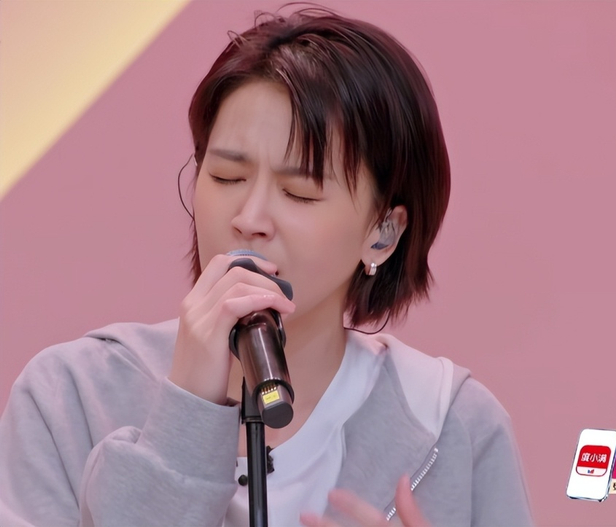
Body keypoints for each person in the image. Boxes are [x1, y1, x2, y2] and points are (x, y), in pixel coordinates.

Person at [0, 7, 532, 526]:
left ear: (383, 233)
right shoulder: (72, 397)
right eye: (226, 178)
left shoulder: (454, 426)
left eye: (299, 192)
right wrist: (187, 411)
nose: (249, 219)